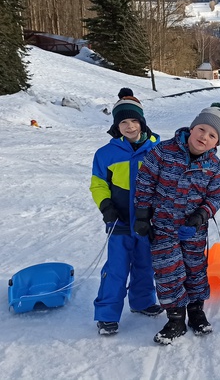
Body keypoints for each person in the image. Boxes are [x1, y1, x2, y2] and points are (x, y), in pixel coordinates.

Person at [133, 106, 220, 345]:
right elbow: (145, 182)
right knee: (168, 272)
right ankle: (176, 318)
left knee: (195, 270)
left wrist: (201, 216)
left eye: (212, 135)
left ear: (217, 142)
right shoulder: (162, 152)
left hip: (193, 230)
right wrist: (143, 215)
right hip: (163, 227)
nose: (204, 137)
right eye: (202, 129)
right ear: (192, 127)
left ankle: (196, 311)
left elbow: (216, 196)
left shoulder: (212, 164)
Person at [89, 95, 162, 336]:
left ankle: (143, 302)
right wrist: (106, 206)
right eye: (123, 122)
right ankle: (107, 315)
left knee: (145, 264)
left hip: (147, 221)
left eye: (134, 121)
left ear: (142, 121)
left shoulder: (157, 150)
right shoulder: (105, 154)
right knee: (116, 268)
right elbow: (98, 184)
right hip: (119, 222)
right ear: (116, 126)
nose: (130, 126)